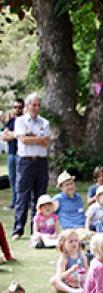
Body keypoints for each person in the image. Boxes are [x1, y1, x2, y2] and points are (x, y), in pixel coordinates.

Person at [12, 92, 52, 240]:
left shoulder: (45, 122)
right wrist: (38, 139)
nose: (36, 108)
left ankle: (37, 229)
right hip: (25, 161)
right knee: (23, 195)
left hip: (41, 161)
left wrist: (32, 137)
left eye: (38, 105)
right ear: (27, 106)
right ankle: (18, 229)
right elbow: (23, 140)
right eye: (33, 105)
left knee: (40, 196)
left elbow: (46, 141)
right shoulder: (20, 121)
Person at [1, 98, 24, 210]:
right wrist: (15, 135)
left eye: (19, 107)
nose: (17, 109)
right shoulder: (10, 122)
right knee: (12, 179)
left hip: (21, 154)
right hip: (11, 154)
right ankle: (15, 201)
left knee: (21, 179)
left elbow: (23, 136)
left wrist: (13, 134)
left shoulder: (25, 121)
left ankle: (22, 202)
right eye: (15, 107)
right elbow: (4, 137)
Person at [49, 229, 87, 293]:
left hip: (81, 280)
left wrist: (84, 275)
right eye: (70, 241)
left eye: (76, 241)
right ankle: (72, 291)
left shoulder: (81, 255)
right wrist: (71, 270)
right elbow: (60, 276)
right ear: (63, 244)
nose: (74, 243)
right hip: (67, 281)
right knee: (53, 280)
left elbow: (87, 268)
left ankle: (85, 288)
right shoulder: (64, 258)